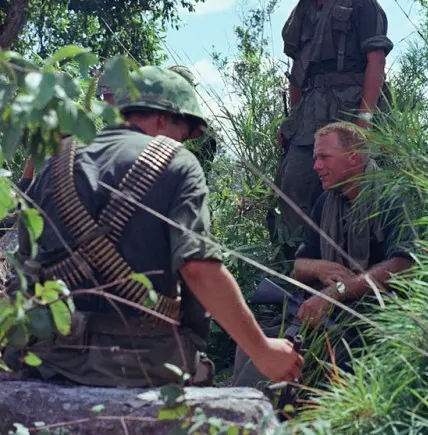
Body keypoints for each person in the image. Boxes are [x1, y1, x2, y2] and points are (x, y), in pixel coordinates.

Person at [5, 67, 303, 388]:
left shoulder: (55, 161)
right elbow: (199, 269)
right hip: (140, 362)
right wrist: (262, 350)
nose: (183, 142)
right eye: (185, 131)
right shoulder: (176, 161)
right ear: (162, 119)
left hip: (47, 358)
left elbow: (22, 270)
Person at [231, 122, 413, 388]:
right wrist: (318, 268)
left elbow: (405, 264)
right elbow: (299, 265)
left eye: (324, 157)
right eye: (315, 157)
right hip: (320, 315)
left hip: (369, 320)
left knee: (280, 370)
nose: (315, 166)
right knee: (253, 344)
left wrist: (337, 291)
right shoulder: (325, 202)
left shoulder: (391, 198)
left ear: (356, 155)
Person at [272, 0, 393, 255]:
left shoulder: (361, 5)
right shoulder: (302, 13)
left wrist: (365, 120)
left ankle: (365, 265)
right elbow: (298, 74)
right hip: (310, 112)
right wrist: (291, 121)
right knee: (293, 186)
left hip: (349, 107)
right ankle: (300, 267)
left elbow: (375, 62)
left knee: (359, 186)